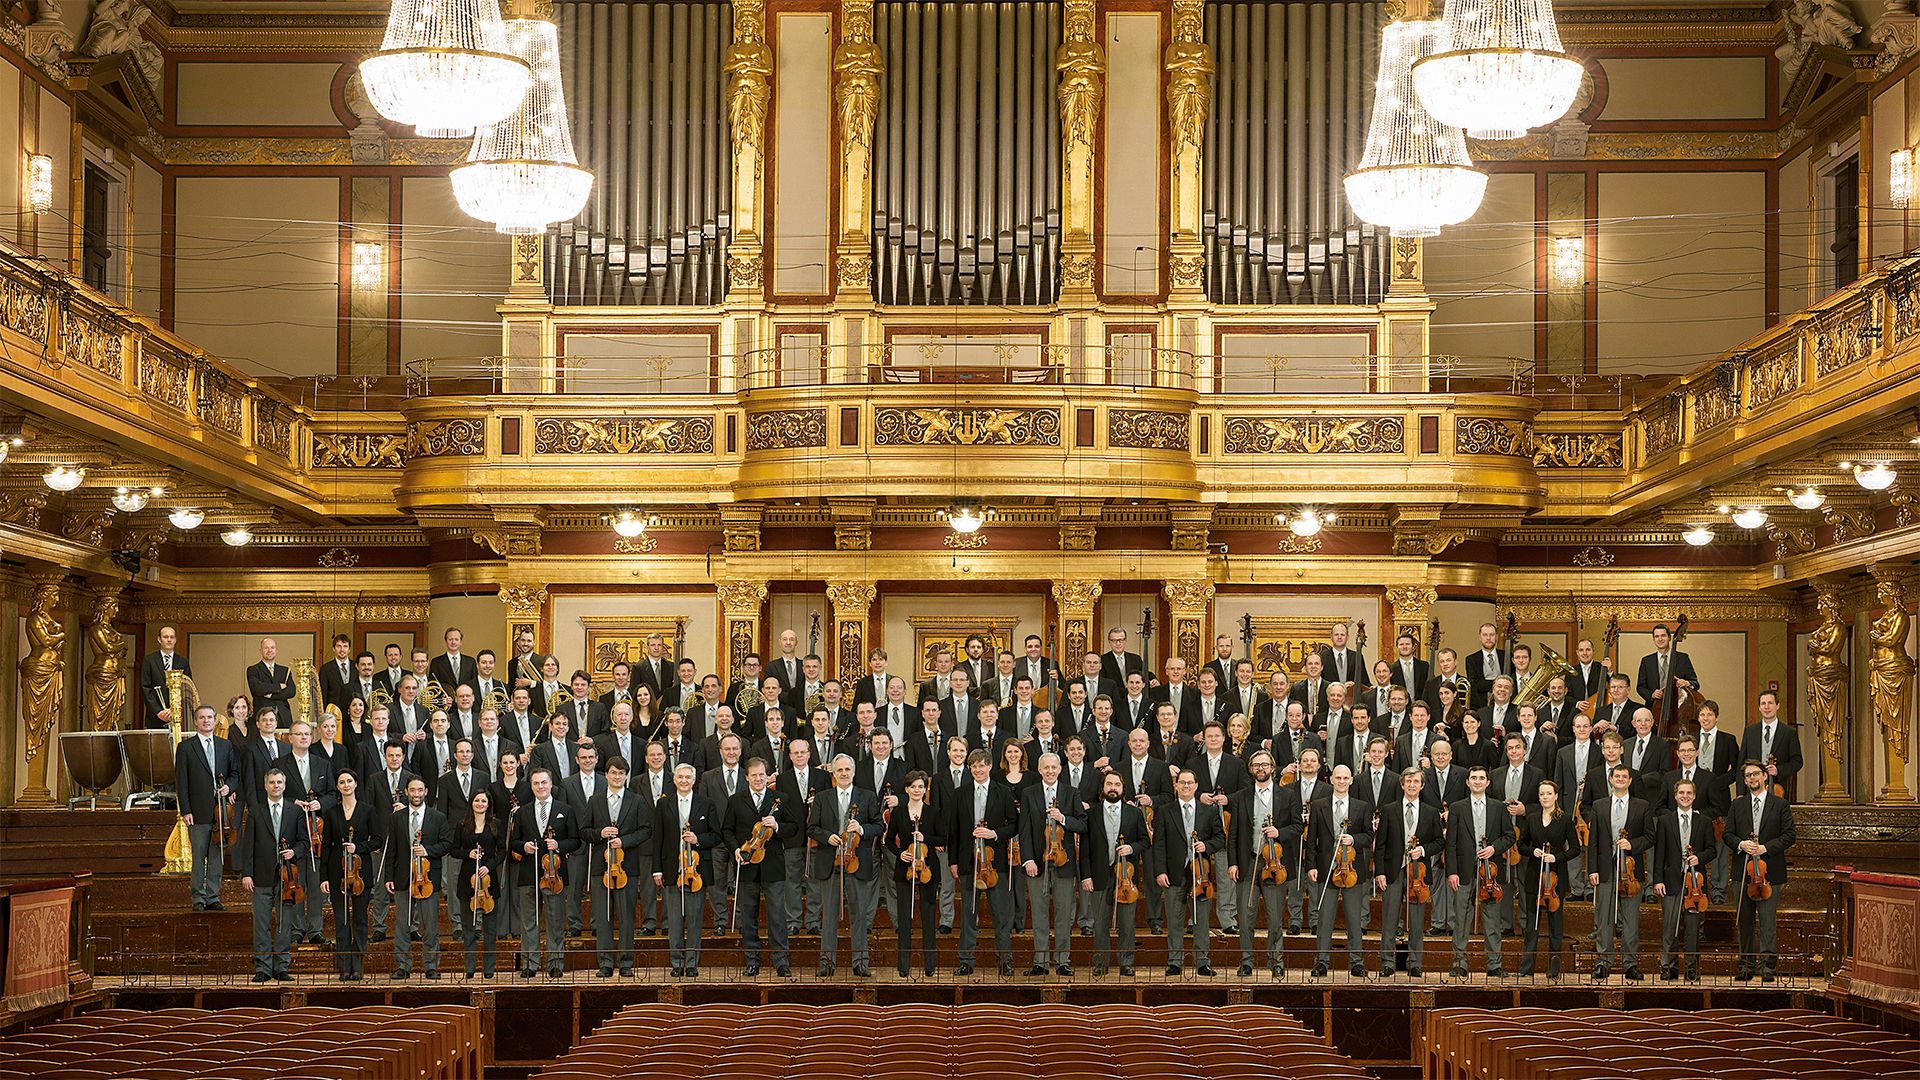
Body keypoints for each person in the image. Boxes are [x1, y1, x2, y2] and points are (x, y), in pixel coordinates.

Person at [1228, 749, 1300, 978]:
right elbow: (1233, 833)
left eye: (1265, 764)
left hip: (1275, 865)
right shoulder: (1241, 796)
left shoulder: (1287, 795)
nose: (1261, 768)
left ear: (1273, 768)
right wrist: (1233, 863)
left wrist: (1279, 832)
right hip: (1248, 862)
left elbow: (1298, 827)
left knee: (1275, 918)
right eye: (1256, 765)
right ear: (1251, 769)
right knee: (1245, 918)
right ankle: (1246, 962)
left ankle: (1276, 961)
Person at [727, 756, 797, 976]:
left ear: (767, 776)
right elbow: (726, 830)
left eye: (762, 775)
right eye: (754, 775)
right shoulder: (736, 800)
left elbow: (794, 827)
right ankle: (752, 961)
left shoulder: (780, 798)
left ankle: (781, 962)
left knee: (777, 916)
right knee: (748, 917)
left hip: (772, 865)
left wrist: (777, 826)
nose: (758, 779)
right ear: (747, 777)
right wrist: (736, 849)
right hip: (747, 863)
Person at [951, 748, 1017, 976]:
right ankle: (966, 961)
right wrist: (953, 862)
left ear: (989, 766)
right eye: (974, 767)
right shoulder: (960, 793)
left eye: (981, 766)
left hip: (994, 863)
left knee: (1001, 914)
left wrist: (994, 833)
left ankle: (1005, 960)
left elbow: (1014, 825)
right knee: (968, 914)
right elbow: (954, 830)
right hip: (968, 862)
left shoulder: (1004, 792)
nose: (977, 770)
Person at [1728, 760, 1793, 981]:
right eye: (1748, 776)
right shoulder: (1737, 805)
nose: (1752, 778)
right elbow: (1727, 834)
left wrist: (1766, 847)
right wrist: (1740, 844)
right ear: (1745, 780)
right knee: (1744, 923)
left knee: (1767, 923)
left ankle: (1768, 968)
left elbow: (1789, 835)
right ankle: (1745, 967)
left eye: (1756, 774)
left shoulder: (1780, 804)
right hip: (1743, 872)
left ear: (1765, 776)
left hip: (1770, 872)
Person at [1019, 752, 1084, 976]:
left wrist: (1063, 818)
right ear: (1039, 770)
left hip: (1064, 863)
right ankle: (1041, 962)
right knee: (1039, 914)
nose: (1050, 771)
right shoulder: (1029, 793)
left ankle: (1063, 961)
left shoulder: (1072, 793)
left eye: (1053, 767)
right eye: (1045, 767)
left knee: (1064, 915)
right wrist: (1028, 859)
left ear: (1060, 769)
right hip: (1037, 863)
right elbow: (1024, 829)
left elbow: (1082, 824)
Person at [238, 768, 305, 982]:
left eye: (279, 782)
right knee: (261, 924)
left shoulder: (295, 811)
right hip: (261, 876)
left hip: (288, 878)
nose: (276, 786)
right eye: (272, 782)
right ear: (266, 786)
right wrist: (247, 874)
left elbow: (304, 842)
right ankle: (263, 969)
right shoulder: (256, 811)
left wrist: (294, 851)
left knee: (284, 925)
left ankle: (281, 968)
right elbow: (248, 845)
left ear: (284, 785)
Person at [1154, 768, 1223, 976]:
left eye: (1189, 783)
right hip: (1173, 873)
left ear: (1196, 786)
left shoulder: (1209, 811)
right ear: (1176, 785)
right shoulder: (1164, 811)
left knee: (1201, 920)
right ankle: (1174, 962)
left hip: (1200, 875)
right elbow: (1158, 844)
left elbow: (1220, 838)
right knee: (1174, 920)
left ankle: (1202, 962)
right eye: (1182, 782)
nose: (1185, 786)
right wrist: (1160, 871)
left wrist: (1206, 846)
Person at [1587, 762, 1653, 980]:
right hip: (1605, 869)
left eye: (1625, 777)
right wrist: (1592, 870)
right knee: (1604, 918)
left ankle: (1630, 963)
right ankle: (1603, 962)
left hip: (1631, 872)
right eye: (1617, 776)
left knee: (1631, 920)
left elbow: (1650, 837)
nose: (1621, 780)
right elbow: (1593, 841)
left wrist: (1632, 844)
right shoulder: (1599, 805)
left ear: (1630, 781)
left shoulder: (1642, 806)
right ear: (1611, 779)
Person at [1307, 764, 1373, 978]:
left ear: (1351, 780)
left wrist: (1353, 839)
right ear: (1331, 780)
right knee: (1324, 920)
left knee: (1354, 920)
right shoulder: (1318, 805)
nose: (1342, 781)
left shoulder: (1362, 807)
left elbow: (1369, 837)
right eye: (1338, 778)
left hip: (1352, 871)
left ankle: (1357, 963)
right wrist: (1311, 866)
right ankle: (1321, 962)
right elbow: (1311, 840)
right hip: (1326, 869)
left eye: (1346, 778)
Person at [584, 756, 647, 977]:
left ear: (626, 776)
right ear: (606, 774)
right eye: (613, 772)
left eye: (621, 773)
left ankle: (626, 963)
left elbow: (645, 830)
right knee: (603, 918)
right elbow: (584, 831)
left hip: (626, 868)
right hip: (600, 868)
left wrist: (624, 841)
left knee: (627, 917)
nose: (617, 777)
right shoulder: (595, 800)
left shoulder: (636, 800)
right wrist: (599, 834)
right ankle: (605, 963)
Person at [1447, 764, 1513, 978]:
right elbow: (1451, 843)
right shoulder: (1457, 808)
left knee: (1492, 919)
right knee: (1461, 919)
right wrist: (1452, 872)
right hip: (1463, 871)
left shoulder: (1498, 807)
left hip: (1490, 872)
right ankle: (1459, 964)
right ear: (1468, 782)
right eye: (1473, 778)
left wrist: (1494, 848)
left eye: (1481, 778)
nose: (1477, 781)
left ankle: (1494, 965)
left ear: (1487, 782)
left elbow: (1510, 836)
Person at [653, 763, 718, 977]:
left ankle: (691, 964)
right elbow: (658, 838)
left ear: (694, 780)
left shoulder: (706, 804)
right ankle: (676, 963)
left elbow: (716, 835)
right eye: (680, 777)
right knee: (674, 921)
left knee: (695, 920)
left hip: (696, 873)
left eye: (688, 777)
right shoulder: (664, 804)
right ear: (674, 779)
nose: (683, 780)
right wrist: (657, 870)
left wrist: (698, 839)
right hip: (672, 871)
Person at [512, 768, 578, 978]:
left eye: (543, 782)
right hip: (528, 873)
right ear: (531, 786)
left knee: (555, 920)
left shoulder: (565, 810)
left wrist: (559, 845)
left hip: (554, 875)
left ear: (550, 784)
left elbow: (575, 840)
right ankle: (529, 964)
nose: (540, 787)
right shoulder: (522, 812)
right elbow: (513, 841)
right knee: (529, 921)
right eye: (536, 783)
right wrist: (524, 847)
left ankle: (555, 963)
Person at [1376, 766, 1442, 978]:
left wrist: (1423, 850)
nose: (1412, 785)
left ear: (1422, 786)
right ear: (1402, 785)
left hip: (1418, 874)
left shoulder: (1431, 811)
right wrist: (1379, 872)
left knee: (1416, 921)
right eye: (1408, 782)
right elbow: (1380, 845)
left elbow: (1439, 842)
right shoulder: (1389, 810)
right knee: (1389, 920)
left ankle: (1415, 963)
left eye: (1416, 782)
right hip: (1393, 871)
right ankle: (1387, 963)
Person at [1082, 769, 1147, 976]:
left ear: (1123, 789)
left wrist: (1132, 848)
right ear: (1103, 788)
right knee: (1100, 924)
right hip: (1099, 875)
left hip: (1126, 878)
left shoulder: (1134, 813)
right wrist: (1086, 876)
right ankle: (1100, 963)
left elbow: (1145, 841)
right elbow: (1085, 848)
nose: (1113, 788)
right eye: (1109, 784)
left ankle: (1126, 963)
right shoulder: (1091, 814)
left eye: (1117, 785)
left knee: (1127, 923)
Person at [881, 770, 946, 977]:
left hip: (928, 869)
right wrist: (900, 853)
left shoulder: (933, 812)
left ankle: (929, 966)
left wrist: (925, 838)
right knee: (904, 918)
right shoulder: (898, 813)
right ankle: (903, 966)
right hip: (905, 869)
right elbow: (888, 839)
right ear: (906, 789)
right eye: (913, 787)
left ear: (925, 790)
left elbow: (942, 838)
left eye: (920, 787)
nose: (917, 790)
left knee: (928, 917)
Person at [318, 769, 381, 980]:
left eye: (349, 781)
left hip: (361, 873)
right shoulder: (331, 813)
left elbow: (377, 840)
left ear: (355, 784)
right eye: (342, 782)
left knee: (360, 919)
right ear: (337, 787)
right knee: (341, 920)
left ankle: (358, 964)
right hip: (337, 872)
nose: (346, 785)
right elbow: (326, 846)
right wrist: (324, 877)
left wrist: (358, 847)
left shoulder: (368, 810)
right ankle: (344, 965)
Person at [1650, 777, 1715, 982]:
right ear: (1675, 796)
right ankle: (1669, 968)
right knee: (1670, 928)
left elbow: (1712, 850)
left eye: (1688, 793)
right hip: (1670, 882)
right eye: (1681, 793)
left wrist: (1699, 858)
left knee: (1692, 930)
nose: (1685, 796)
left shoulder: (1704, 821)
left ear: (1694, 796)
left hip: (1695, 885)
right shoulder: (1664, 821)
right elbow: (1659, 853)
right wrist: (1658, 880)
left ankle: (1691, 969)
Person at [386, 775, 450, 979]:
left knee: (430, 925)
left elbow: (446, 844)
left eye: (420, 790)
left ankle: (431, 966)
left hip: (428, 879)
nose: (416, 794)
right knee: (402, 925)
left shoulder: (438, 817)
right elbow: (392, 849)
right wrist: (389, 877)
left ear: (426, 792)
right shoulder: (396, 818)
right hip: (403, 877)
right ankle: (403, 966)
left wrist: (427, 851)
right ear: (406, 792)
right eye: (412, 790)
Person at [176, 703, 237, 912]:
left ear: (214, 720)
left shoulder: (225, 745)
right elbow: (181, 782)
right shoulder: (185, 747)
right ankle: (198, 898)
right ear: (195, 721)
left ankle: (213, 897)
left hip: (221, 812)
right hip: (197, 811)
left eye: (209, 717)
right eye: (202, 717)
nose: (206, 721)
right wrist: (186, 810)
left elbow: (235, 773)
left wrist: (229, 787)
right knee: (198, 858)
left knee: (216, 857)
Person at [1516, 779, 1575, 978]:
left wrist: (1556, 857)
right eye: (1542, 794)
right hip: (1535, 876)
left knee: (1555, 927)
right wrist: (1532, 851)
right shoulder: (1532, 819)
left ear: (1556, 796)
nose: (1545, 797)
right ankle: (1526, 969)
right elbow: (1521, 845)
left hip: (1556, 878)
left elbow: (1575, 848)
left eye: (1549, 793)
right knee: (1531, 926)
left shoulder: (1565, 819)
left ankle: (1554, 970)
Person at [455, 789, 508, 978]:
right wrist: (467, 854)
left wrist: (489, 866)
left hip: (488, 879)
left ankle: (489, 969)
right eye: (476, 800)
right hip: (467, 880)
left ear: (488, 804)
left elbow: (502, 851)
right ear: (471, 803)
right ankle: (470, 968)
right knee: (468, 928)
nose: (480, 804)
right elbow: (453, 849)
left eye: (483, 801)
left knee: (490, 928)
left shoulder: (496, 824)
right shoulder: (462, 825)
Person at [1741, 690, 1803, 803]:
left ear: (1777, 706)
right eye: (1763, 703)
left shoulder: (1789, 732)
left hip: (1778, 789)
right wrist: (1740, 793)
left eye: (1770, 703)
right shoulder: (1749, 731)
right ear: (1759, 708)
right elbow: (1741, 762)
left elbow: (1797, 761)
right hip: (1751, 789)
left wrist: (1778, 770)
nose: (1766, 707)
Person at [139, 625, 192, 729]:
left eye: (172, 637)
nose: (169, 640)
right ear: (159, 639)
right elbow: (145, 688)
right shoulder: (149, 660)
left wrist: (174, 710)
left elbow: (186, 689)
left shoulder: (183, 662)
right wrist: (158, 712)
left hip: (177, 717)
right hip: (155, 718)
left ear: (175, 640)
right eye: (166, 637)